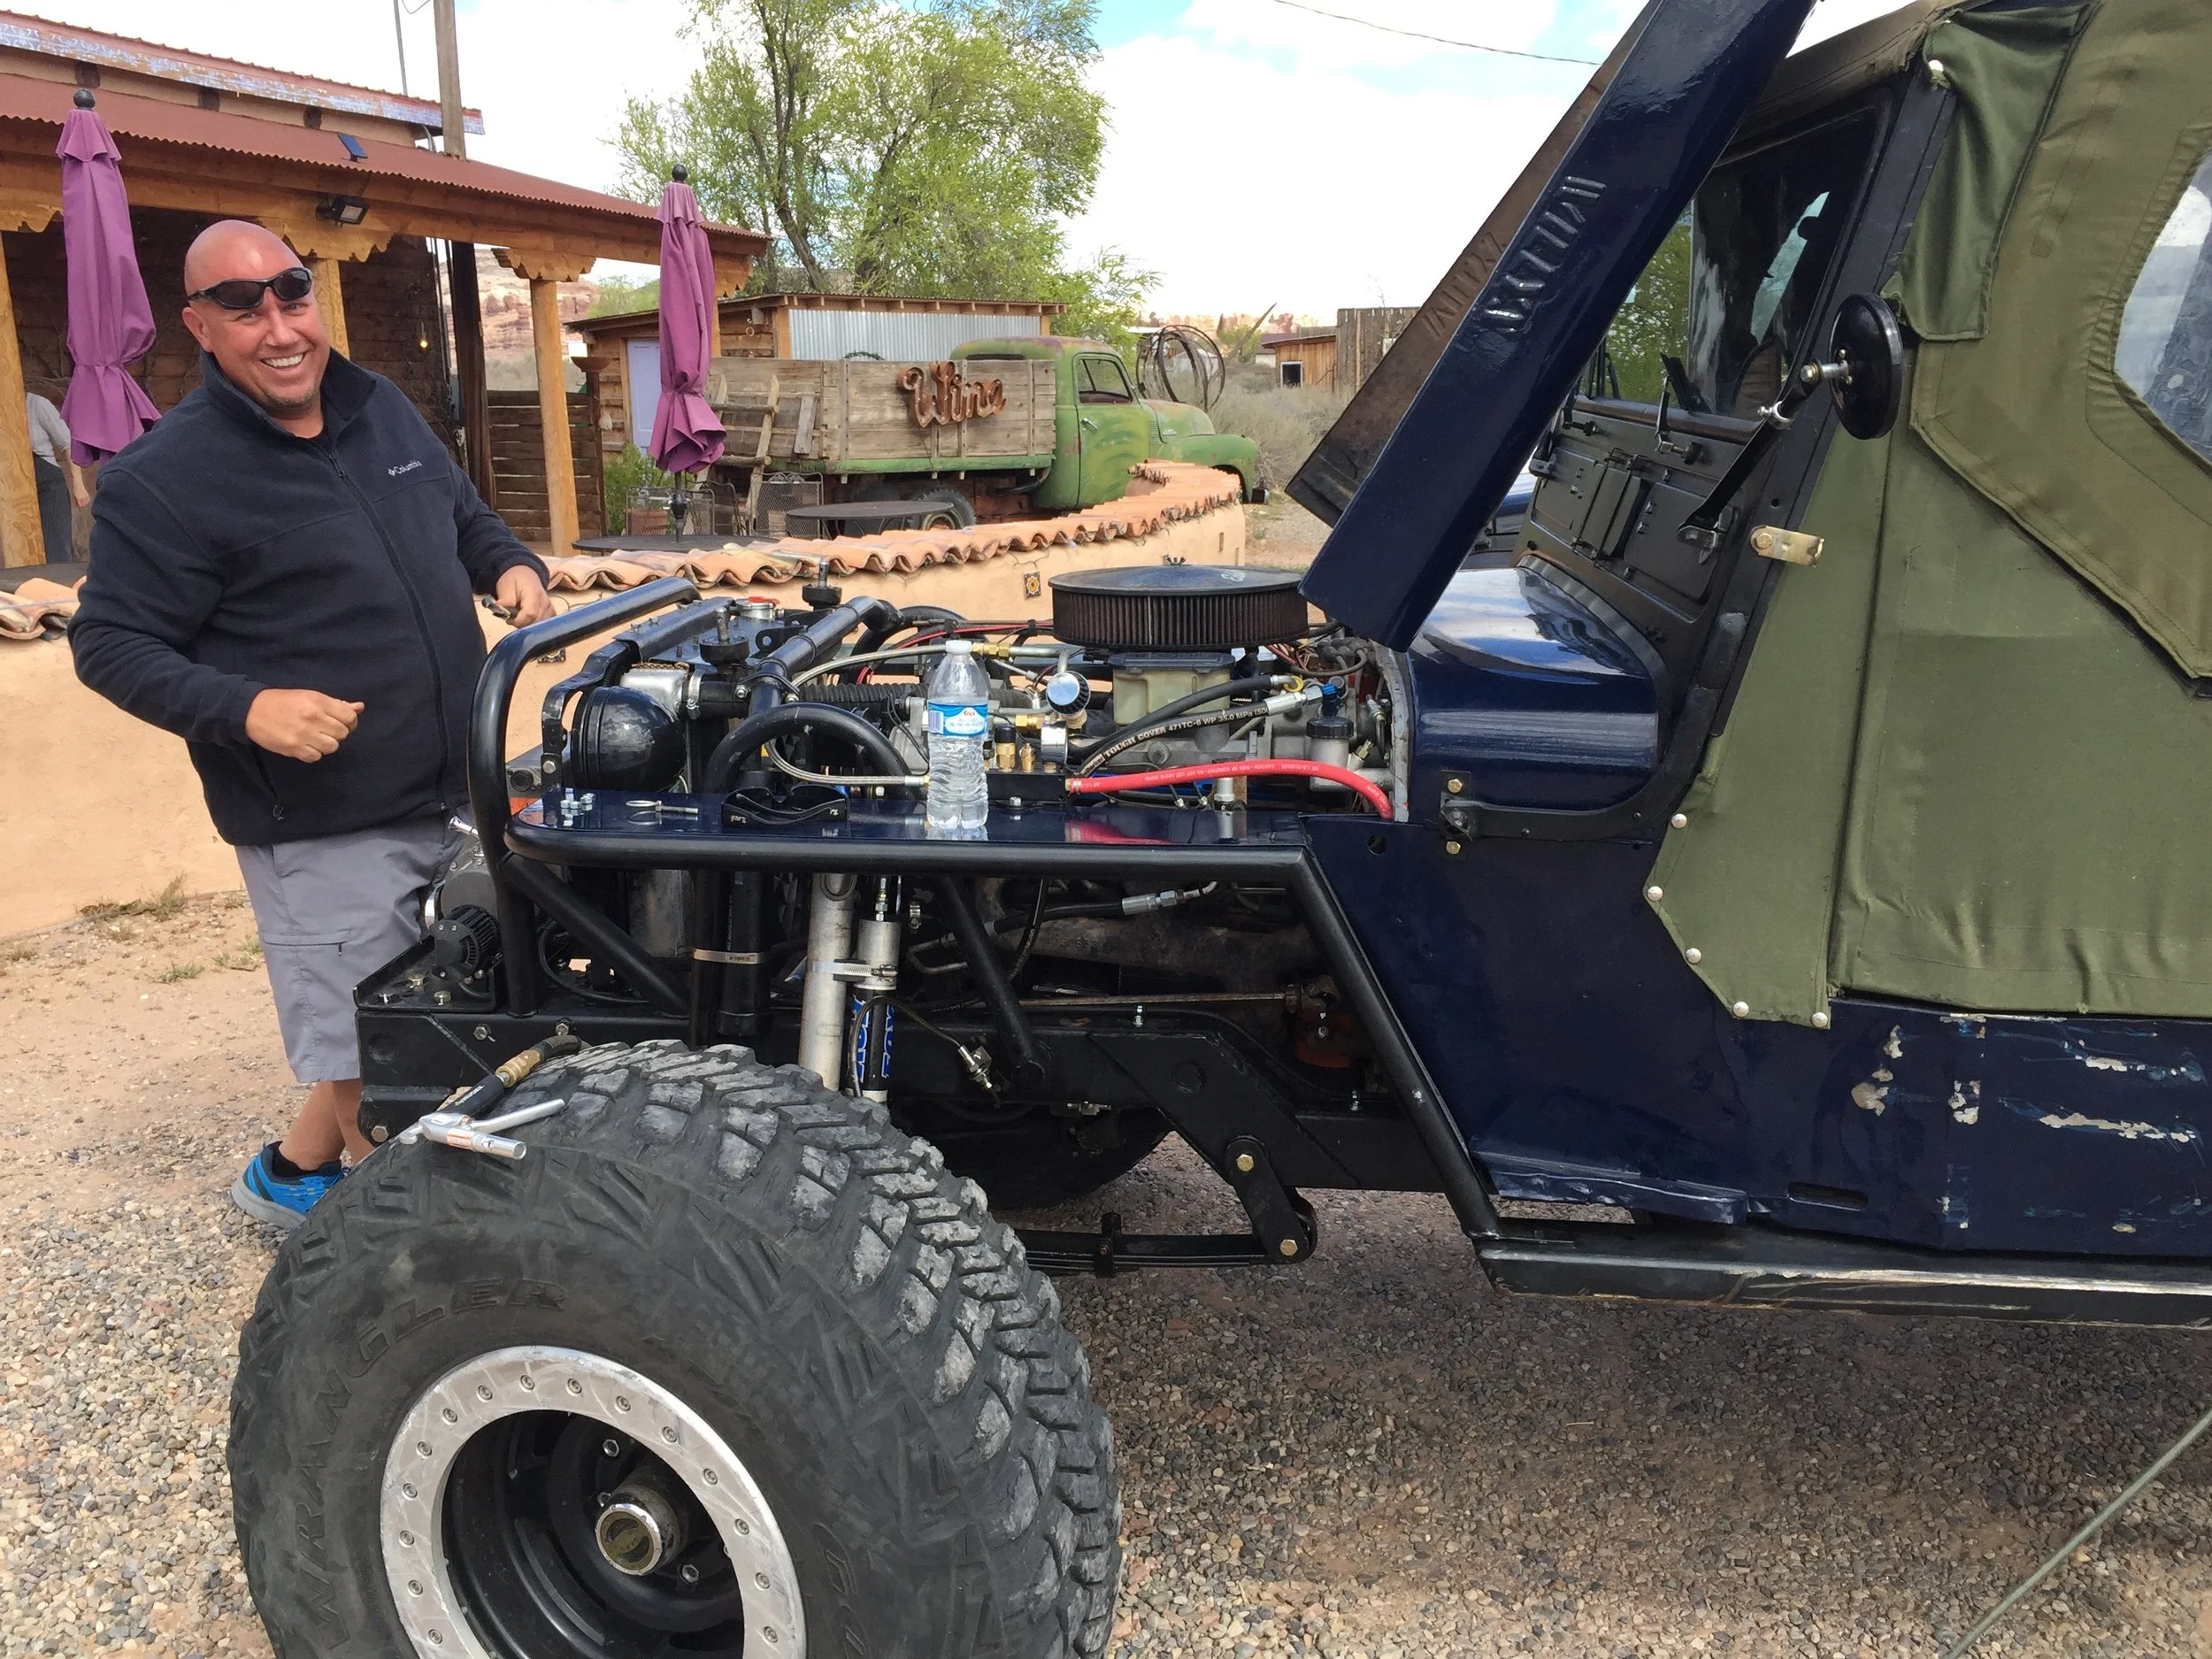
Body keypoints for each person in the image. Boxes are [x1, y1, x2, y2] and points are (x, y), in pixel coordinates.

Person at [70, 219, 555, 1230]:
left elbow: (463, 515)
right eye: (242, 306)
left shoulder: (379, 406)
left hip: (457, 785)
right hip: (324, 820)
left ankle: (290, 1175)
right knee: (381, 1058)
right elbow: (108, 643)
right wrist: (244, 707)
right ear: (199, 325)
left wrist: (508, 562)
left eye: (291, 293)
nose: (278, 325)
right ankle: (396, 1254)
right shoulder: (163, 478)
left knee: (437, 1005)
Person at [27, 391, 88, 565]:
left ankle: (60, 581)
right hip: (12, 488)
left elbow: (68, 444)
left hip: (47, 483)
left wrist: (78, 483)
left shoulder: (36, 403)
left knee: (55, 544)